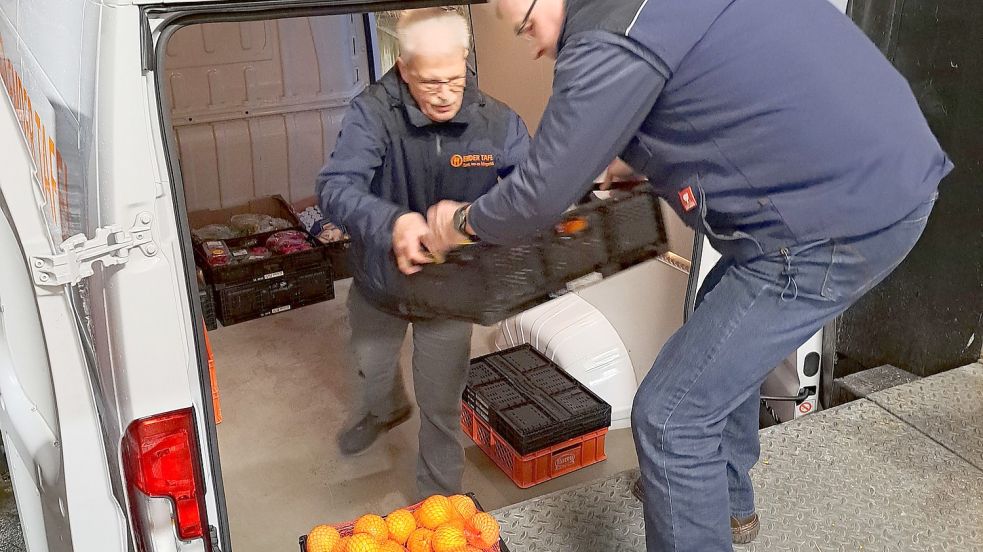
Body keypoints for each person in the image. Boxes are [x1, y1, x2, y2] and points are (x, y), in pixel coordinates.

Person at [422, 0, 951, 549]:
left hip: (831, 226)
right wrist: (635, 161)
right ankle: (726, 505)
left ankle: (704, 498)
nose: (533, 45)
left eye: (528, 25)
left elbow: (536, 195)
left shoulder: (606, 35)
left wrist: (459, 222)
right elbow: (722, 85)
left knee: (670, 417)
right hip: (885, 180)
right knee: (715, 321)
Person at [315, 7, 529, 498]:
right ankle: (383, 406)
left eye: (454, 78)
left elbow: (529, 191)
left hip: (450, 290)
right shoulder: (372, 113)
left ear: (465, 59)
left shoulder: (496, 123)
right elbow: (334, 188)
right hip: (380, 281)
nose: (445, 93)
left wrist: (477, 222)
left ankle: (441, 503)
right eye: (430, 81)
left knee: (440, 403)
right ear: (405, 69)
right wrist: (393, 223)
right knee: (371, 364)